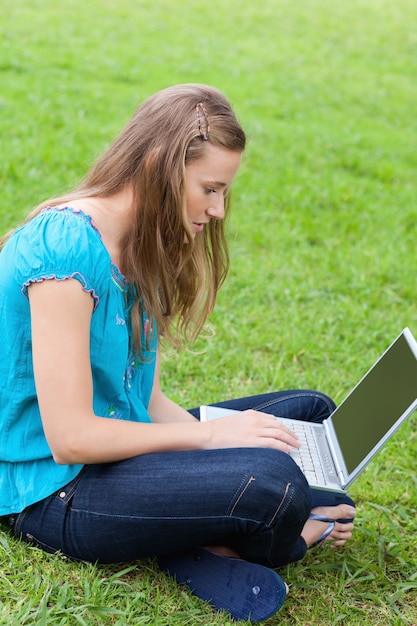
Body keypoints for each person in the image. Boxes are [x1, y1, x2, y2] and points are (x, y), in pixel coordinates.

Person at [0, 84, 355, 623]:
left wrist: (224, 440)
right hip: (49, 489)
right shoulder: (63, 250)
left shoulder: (145, 242)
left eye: (224, 194)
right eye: (209, 189)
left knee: (309, 409)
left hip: (120, 454)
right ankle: (259, 537)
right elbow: (70, 438)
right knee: (275, 483)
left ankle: (195, 529)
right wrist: (215, 438)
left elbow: (151, 401)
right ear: (160, 166)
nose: (216, 210)